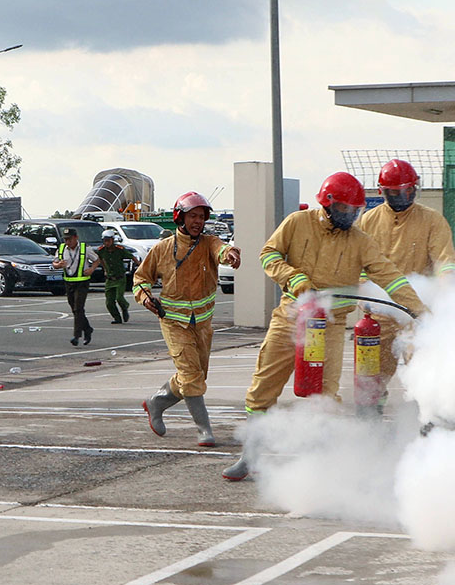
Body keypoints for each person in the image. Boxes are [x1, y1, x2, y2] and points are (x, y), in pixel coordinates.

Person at [222, 172, 427, 480]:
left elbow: (389, 275)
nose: (351, 216)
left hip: (331, 326)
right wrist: (294, 278)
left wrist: (418, 308)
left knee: (325, 396)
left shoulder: (360, 241)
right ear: (327, 204)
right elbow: (269, 254)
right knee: (264, 386)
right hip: (291, 317)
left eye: (355, 211)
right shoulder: (297, 222)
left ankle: (321, 468)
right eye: (345, 210)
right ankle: (249, 457)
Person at [135, 192, 241, 446]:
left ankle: (156, 402)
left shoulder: (209, 243)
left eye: (201, 217)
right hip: (174, 323)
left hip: (202, 325)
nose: (198, 221)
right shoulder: (161, 249)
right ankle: (205, 430)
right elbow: (140, 279)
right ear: (179, 217)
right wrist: (145, 296)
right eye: (193, 216)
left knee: (195, 376)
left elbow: (222, 249)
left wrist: (231, 253)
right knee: (191, 376)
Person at [355, 158, 455, 412]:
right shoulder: (368, 221)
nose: (403, 196)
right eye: (395, 192)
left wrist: (448, 286)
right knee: (372, 375)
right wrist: (363, 290)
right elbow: (357, 263)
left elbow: (444, 260)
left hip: (417, 312)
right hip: (380, 313)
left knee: (424, 370)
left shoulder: (432, 220)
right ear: (382, 191)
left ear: (415, 188)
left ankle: (429, 422)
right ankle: (370, 423)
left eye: (407, 190)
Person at [53, 227, 96, 346]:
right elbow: (54, 263)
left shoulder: (85, 248)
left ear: (76, 238)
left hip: (82, 282)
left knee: (78, 308)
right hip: (69, 282)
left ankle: (76, 336)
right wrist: (58, 265)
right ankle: (87, 329)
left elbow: (97, 260)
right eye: (66, 239)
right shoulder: (61, 249)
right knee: (75, 309)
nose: (67, 242)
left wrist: (92, 269)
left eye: (70, 239)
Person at [93, 230, 132, 324]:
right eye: (105, 241)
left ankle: (125, 307)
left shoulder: (119, 249)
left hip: (120, 278)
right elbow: (100, 259)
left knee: (119, 298)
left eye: (108, 240)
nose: (107, 243)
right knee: (109, 302)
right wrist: (105, 269)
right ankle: (117, 317)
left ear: (112, 240)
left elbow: (132, 257)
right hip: (110, 279)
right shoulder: (101, 250)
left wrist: (141, 266)